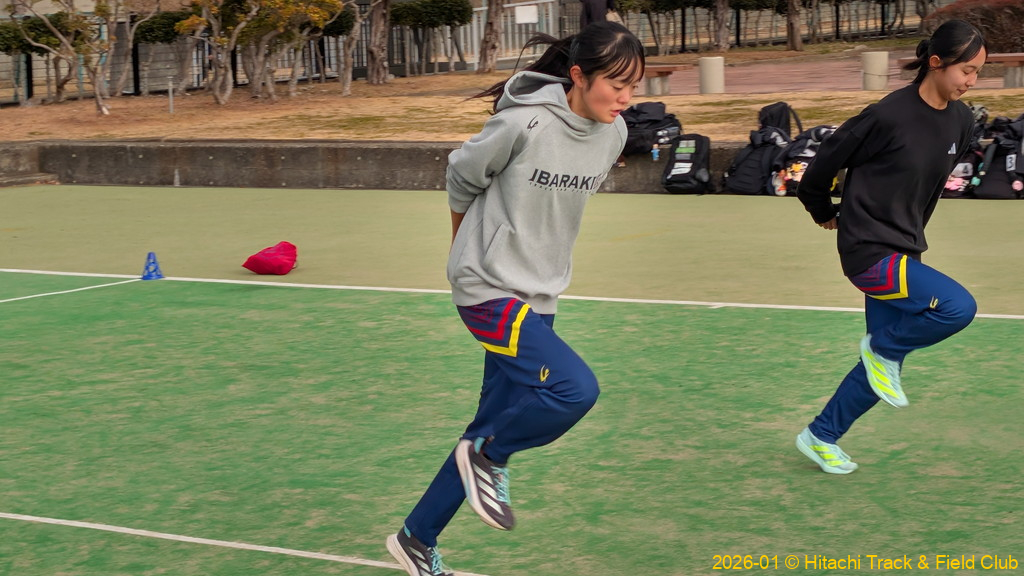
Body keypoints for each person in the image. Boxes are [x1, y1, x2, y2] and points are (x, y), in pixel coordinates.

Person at [385, 21, 646, 576]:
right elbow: (461, 175)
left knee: (490, 423)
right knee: (574, 390)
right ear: (579, 76)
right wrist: (463, 247)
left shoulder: (614, 134)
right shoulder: (523, 122)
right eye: (616, 84)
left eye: (633, 87)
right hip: (487, 287)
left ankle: (416, 539)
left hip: (541, 294)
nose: (625, 97)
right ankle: (490, 456)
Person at [794, 19, 986, 475]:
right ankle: (881, 349)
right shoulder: (886, 115)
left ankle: (821, 435)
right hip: (868, 251)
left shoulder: (961, 121)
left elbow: (922, 186)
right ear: (936, 63)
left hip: (904, 247)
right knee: (957, 307)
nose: (972, 81)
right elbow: (819, 169)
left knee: (883, 366)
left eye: (979, 72)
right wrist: (824, 211)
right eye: (967, 70)